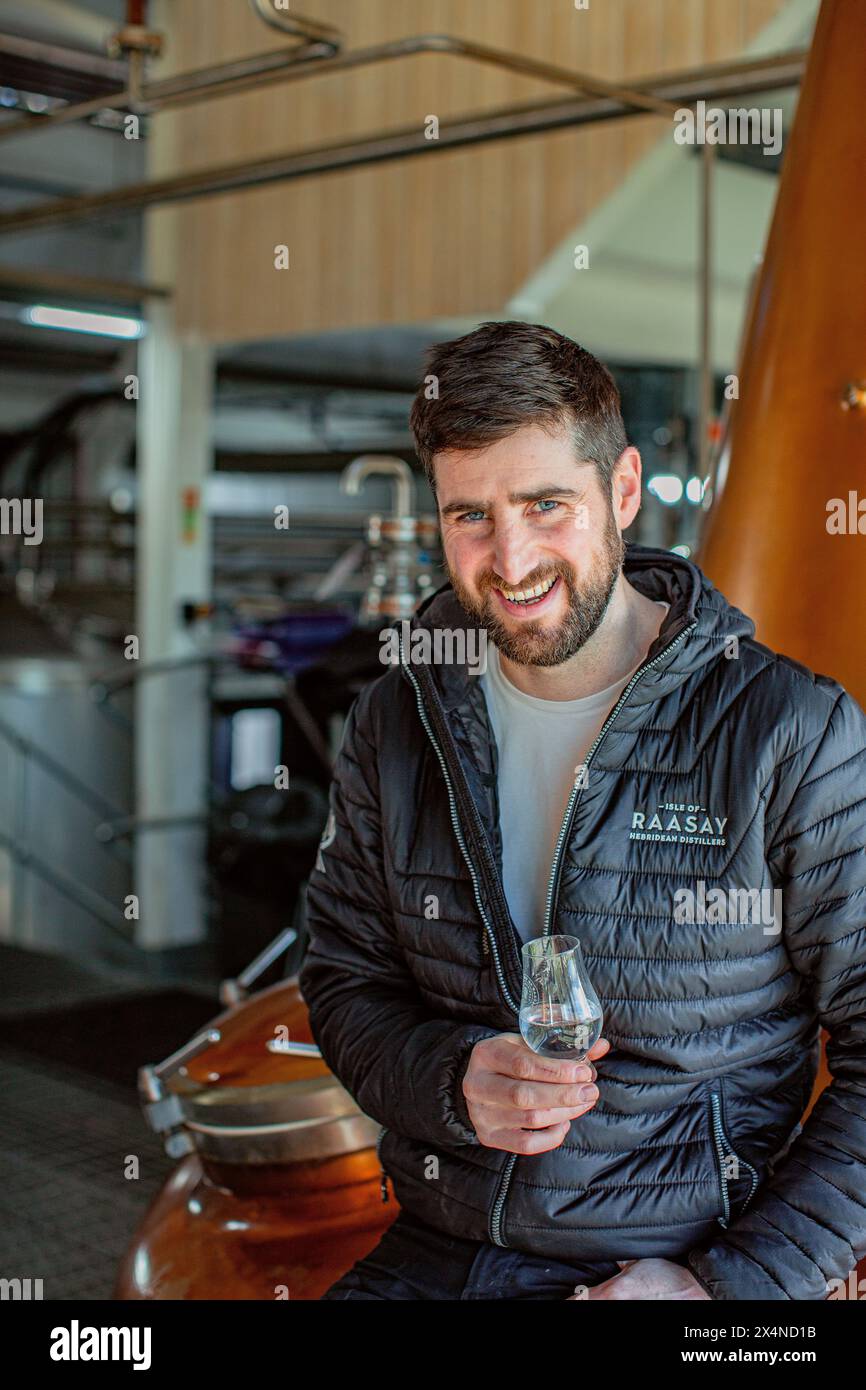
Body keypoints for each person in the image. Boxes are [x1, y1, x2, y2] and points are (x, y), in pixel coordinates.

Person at [299, 320, 866, 1301]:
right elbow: (343, 976)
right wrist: (449, 1077)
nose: (509, 559)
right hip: (432, 1251)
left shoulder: (789, 732)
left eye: (544, 503)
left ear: (624, 488)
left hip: (668, 1265)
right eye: (468, 515)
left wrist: (725, 1288)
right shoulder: (397, 716)